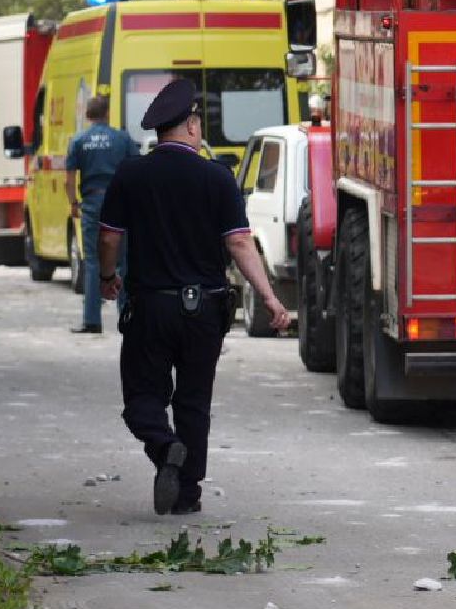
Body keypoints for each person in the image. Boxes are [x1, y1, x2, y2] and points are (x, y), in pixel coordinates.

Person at [98, 78, 289, 516]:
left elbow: (109, 237)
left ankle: (165, 448)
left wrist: (108, 277)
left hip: (149, 308)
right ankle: (187, 495)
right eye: (198, 122)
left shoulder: (132, 173)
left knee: (142, 399)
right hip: (204, 310)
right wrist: (271, 298)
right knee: (193, 403)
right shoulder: (216, 177)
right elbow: (240, 244)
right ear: (188, 127)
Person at [65, 95, 138, 333]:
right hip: (120, 202)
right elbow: (136, 169)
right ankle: (125, 315)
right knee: (124, 260)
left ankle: (92, 320)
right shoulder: (122, 138)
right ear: (107, 113)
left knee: (93, 261)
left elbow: (69, 178)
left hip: (92, 201)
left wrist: (74, 203)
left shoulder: (79, 140)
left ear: (88, 115)